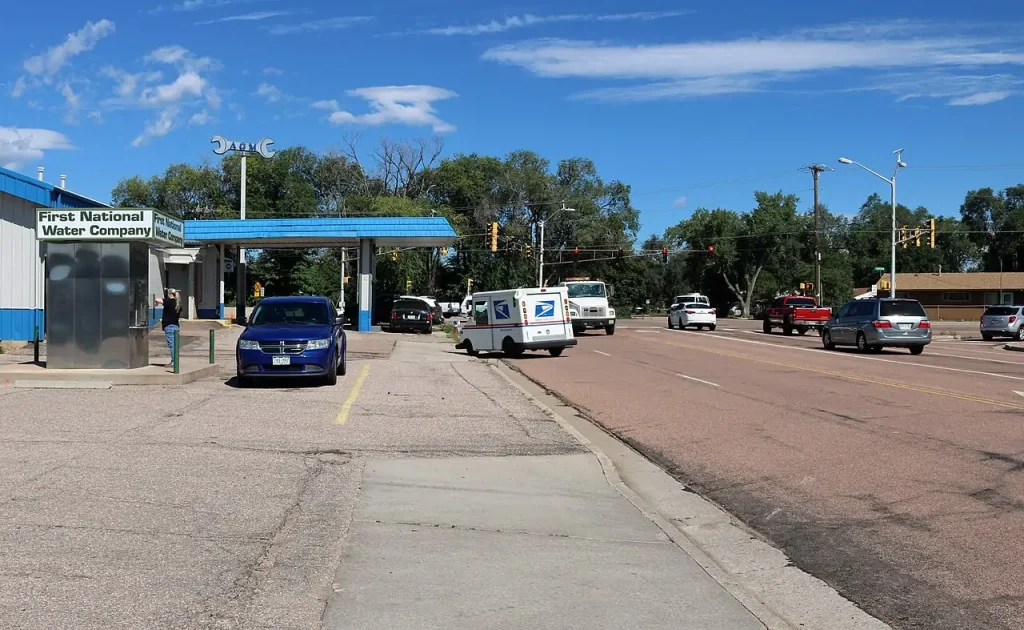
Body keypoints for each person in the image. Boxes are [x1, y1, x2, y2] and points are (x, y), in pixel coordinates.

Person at [160, 289, 181, 367]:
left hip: (169, 326)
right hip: (176, 326)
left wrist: (155, 302)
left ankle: (174, 362)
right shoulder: (178, 304)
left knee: (172, 345)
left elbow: (158, 299)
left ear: (170, 294)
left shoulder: (169, 302)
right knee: (175, 344)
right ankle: (175, 360)